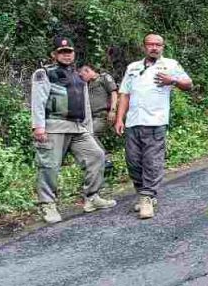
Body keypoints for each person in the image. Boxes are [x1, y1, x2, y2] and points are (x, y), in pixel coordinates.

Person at [31, 37, 117, 224]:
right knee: (49, 166)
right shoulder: (44, 73)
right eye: (62, 52)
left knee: (96, 154)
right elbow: (38, 100)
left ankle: (92, 197)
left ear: (74, 53)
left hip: (78, 127)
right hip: (54, 125)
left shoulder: (79, 76)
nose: (66, 55)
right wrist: (38, 126)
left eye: (69, 51)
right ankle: (48, 205)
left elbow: (85, 103)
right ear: (54, 54)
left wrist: (88, 127)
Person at [114, 33, 192, 219]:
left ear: (163, 47)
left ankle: (147, 197)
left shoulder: (170, 65)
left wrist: (172, 81)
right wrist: (119, 119)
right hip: (134, 121)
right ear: (144, 47)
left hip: (155, 122)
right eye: (151, 44)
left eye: (158, 45)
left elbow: (189, 84)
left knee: (152, 161)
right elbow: (125, 94)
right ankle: (144, 194)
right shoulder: (133, 67)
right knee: (133, 162)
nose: (154, 48)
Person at [78, 63, 118, 170]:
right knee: (82, 136)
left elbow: (114, 93)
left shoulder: (103, 78)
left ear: (87, 71)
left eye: (82, 76)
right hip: (91, 117)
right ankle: (93, 163)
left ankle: (105, 158)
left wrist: (113, 110)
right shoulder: (86, 85)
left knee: (90, 134)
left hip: (103, 115)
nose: (82, 78)